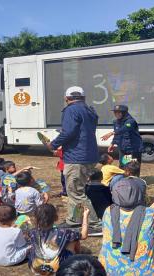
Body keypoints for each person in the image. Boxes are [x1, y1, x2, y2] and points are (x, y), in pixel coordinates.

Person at [46, 86, 101, 235]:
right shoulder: (90, 110)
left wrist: (53, 144)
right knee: (75, 190)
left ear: (67, 98)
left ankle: (94, 224)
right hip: (89, 155)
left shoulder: (71, 110)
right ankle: (74, 220)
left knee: (76, 191)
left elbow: (69, 131)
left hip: (77, 157)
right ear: (83, 97)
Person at [99, 180, 154, 275]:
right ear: (139, 194)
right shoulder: (151, 214)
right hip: (143, 272)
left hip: (109, 269)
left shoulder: (108, 211)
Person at [27, 203, 90, 275]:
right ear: (56, 218)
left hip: (36, 267)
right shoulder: (64, 232)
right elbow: (84, 235)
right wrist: (85, 216)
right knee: (74, 239)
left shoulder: (32, 232)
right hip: (57, 268)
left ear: (36, 219)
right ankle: (76, 258)